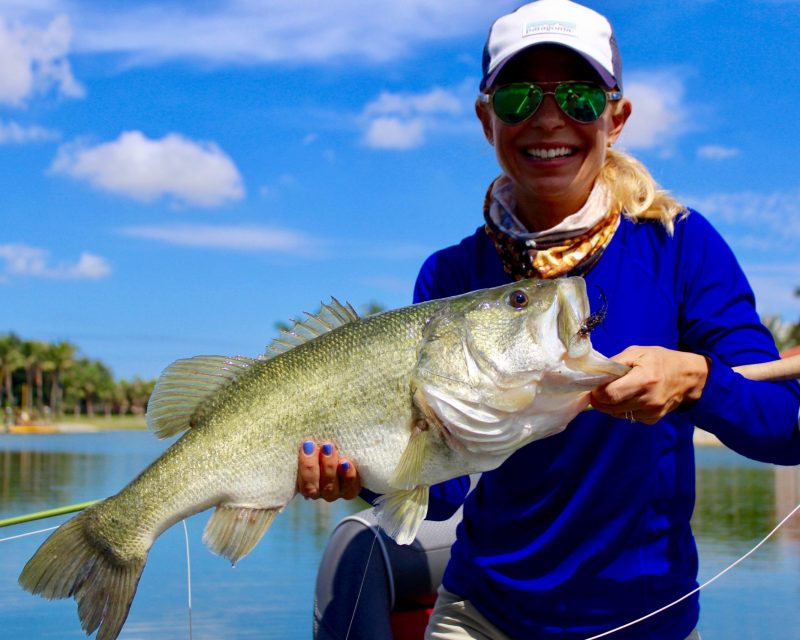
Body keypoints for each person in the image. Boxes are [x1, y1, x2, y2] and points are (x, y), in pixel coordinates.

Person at [297, 1, 800, 638]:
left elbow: (789, 425)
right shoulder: (452, 276)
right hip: (484, 616)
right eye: (517, 98)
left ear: (616, 117)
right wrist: (356, 474)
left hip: (648, 623)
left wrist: (701, 381)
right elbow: (444, 492)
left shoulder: (681, 246)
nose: (549, 118)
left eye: (581, 96)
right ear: (486, 119)